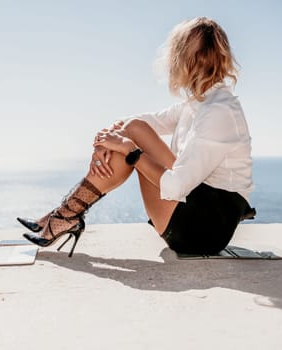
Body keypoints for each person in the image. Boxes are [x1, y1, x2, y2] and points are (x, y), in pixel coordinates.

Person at [19, 17, 255, 257]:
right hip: (192, 217)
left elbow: (176, 185)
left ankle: (65, 216)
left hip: (204, 230)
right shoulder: (196, 104)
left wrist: (130, 150)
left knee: (134, 134)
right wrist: (108, 137)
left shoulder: (218, 111)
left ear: (187, 60)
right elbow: (144, 122)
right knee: (134, 128)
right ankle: (63, 215)